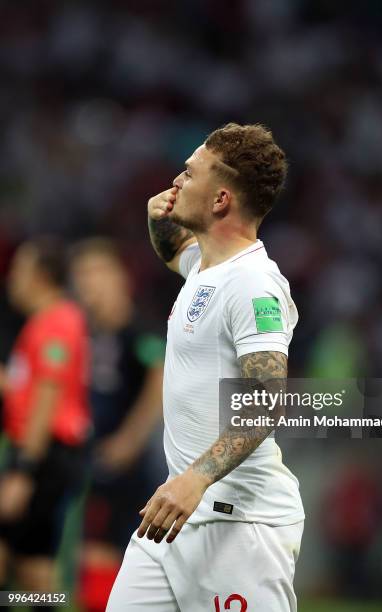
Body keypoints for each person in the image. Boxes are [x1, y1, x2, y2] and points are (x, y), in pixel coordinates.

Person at [107, 123, 304, 611]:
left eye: (188, 173)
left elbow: (267, 399)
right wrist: (160, 217)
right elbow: (173, 249)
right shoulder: (205, 266)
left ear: (219, 201)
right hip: (173, 518)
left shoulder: (254, 284)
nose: (175, 181)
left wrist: (195, 478)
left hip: (239, 526)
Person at [70, 238, 166, 612]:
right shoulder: (86, 332)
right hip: (91, 455)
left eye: (96, 273)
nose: (88, 283)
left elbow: (159, 377)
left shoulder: (138, 329)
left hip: (130, 461)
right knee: (91, 554)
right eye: (81, 276)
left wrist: (129, 440)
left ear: (119, 277)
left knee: (110, 552)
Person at [0, 238, 90, 599]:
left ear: (41, 276)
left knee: (35, 569)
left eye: (19, 270)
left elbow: (47, 400)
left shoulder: (56, 321)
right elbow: (30, 387)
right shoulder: (42, 322)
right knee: (22, 563)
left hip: (43, 455)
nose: (11, 280)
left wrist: (23, 470)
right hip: (38, 452)